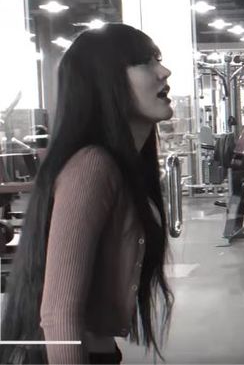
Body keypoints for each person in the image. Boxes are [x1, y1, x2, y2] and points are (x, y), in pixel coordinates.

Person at [0, 24, 175, 364]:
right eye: (145, 61)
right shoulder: (93, 165)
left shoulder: (125, 166)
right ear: (105, 80)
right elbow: (58, 311)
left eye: (158, 59)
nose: (164, 71)